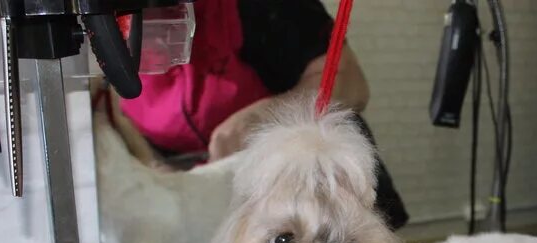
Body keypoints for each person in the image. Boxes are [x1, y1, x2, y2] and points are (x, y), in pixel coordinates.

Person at [112, 0, 407, 227]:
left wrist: (262, 120)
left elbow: (352, 85)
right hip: (205, 217)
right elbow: (120, 111)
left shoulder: (261, 7)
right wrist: (151, 167)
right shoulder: (103, 26)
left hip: (314, 201)